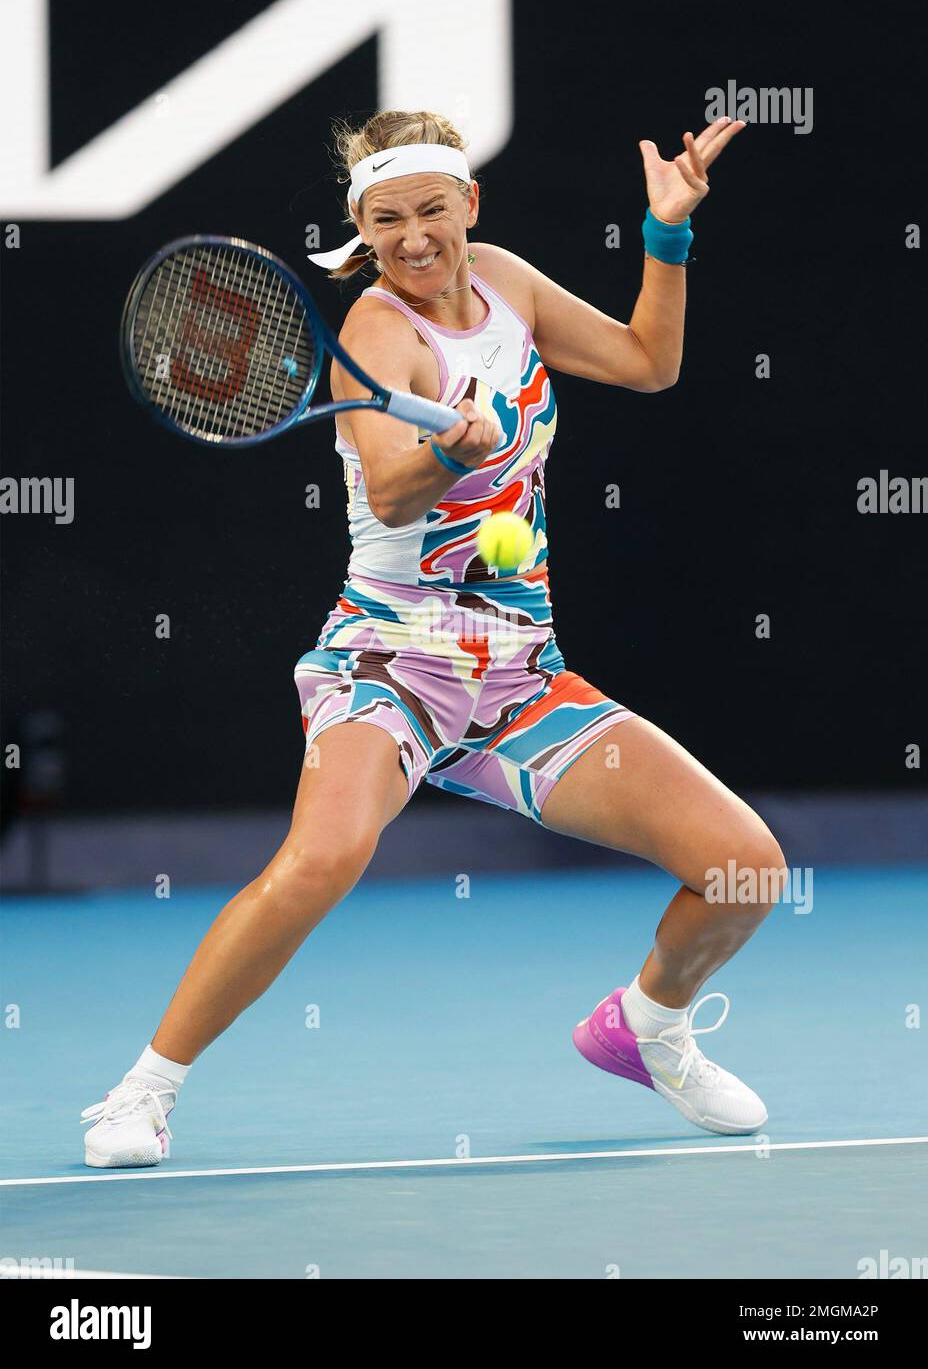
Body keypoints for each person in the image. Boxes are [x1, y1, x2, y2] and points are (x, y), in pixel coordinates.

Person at [81, 109, 786, 1168]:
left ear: (467, 206)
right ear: (361, 229)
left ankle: (647, 1029)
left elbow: (649, 363)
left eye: (427, 211)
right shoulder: (372, 332)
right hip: (390, 657)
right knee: (321, 859)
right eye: (384, 220)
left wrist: (666, 234)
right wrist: (457, 448)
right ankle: (140, 1093)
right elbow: (394, 495)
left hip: (519, 674)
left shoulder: (508, 281)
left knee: (745, 868)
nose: (411, 237)